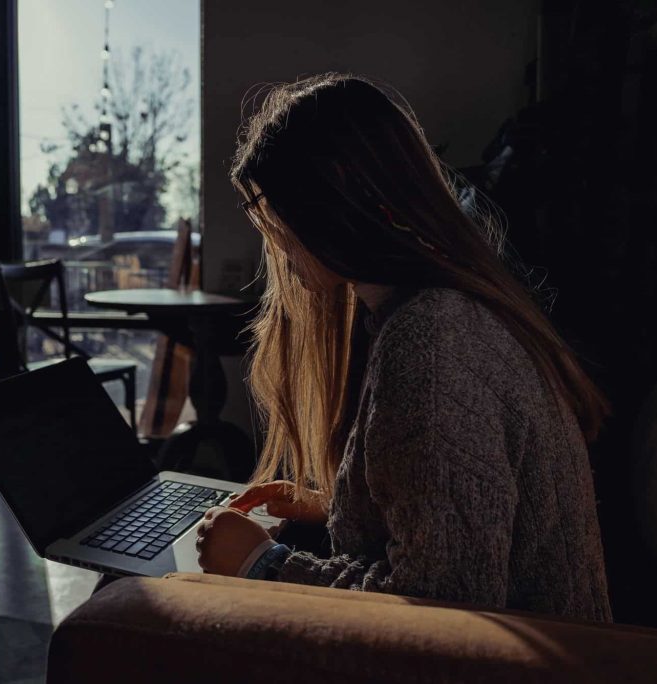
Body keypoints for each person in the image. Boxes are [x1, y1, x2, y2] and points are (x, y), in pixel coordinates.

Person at [193, 72, 613, 622]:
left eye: (278, 218)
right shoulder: (441, 313)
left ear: (328, 204)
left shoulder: (432, 344)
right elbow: (457, 521)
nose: (278, 246)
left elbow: (444, 608)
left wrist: (261, 563)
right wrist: (333, 508)